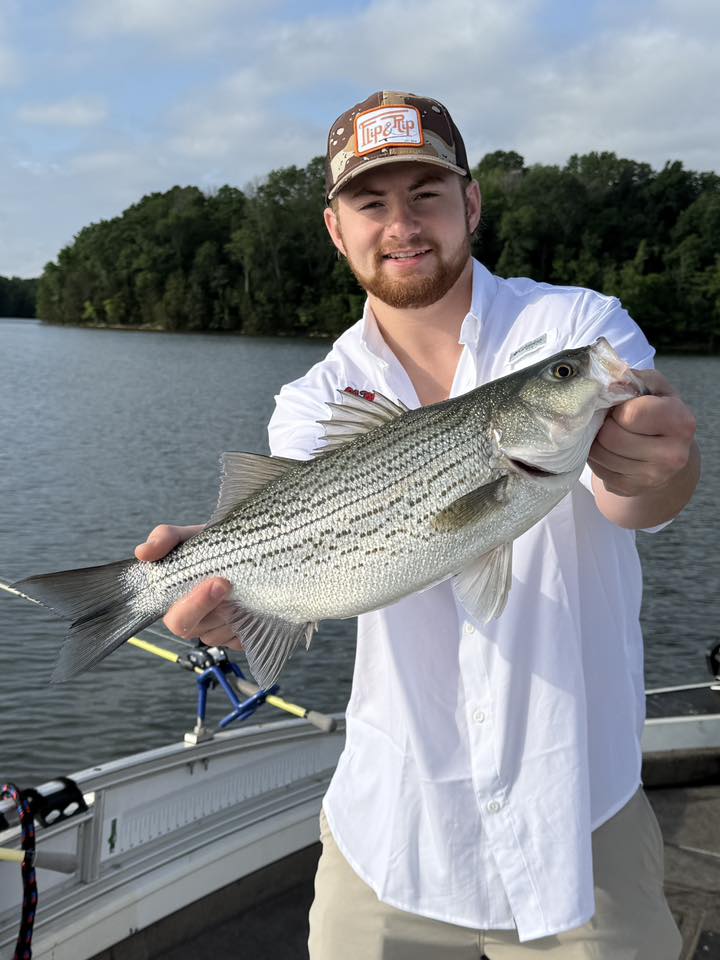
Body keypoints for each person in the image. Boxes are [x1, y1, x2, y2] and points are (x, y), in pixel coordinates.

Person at [136, 91, 699, 958]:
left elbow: (642, 498)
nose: (402, 224)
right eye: (371, 202)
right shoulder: (313, 403)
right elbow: (309, 587)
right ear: (336, 228)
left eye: (426, 194)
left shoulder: (576, 329)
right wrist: (231, 609)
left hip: (578, 814)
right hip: (394, 828)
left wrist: (665, 465)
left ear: (471, 204)